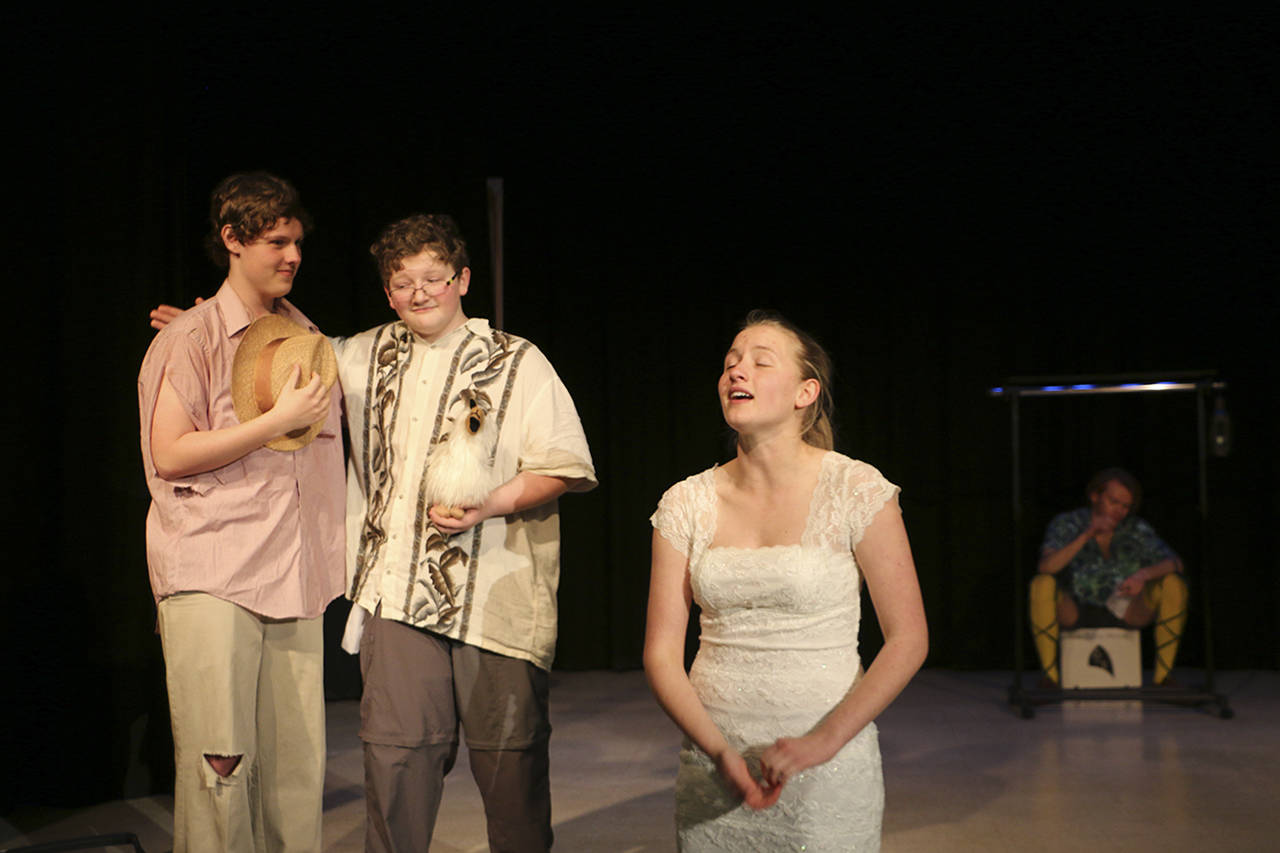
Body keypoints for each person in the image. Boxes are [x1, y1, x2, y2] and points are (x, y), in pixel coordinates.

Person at [152, 212, 597, 852]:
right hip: (397, 594)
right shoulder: (359, 356)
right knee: (396, 764)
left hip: (496, 595)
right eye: (402, 282)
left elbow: (560, 467)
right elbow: (283, 354)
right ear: (387, 292)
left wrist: (487, 502)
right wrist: (206, 330)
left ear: (462, 279)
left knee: (510, 764)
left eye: (433, 278)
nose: (420, 293)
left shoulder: (516, 361)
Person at [643, 310, 928, 852]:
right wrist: (719, 753)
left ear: (805, 392)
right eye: (730, 363)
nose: (736, 372)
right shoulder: (686, 502)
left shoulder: (856, 488)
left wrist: (820, 744)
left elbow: (909, 638)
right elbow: (660, 653)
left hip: (828, 765)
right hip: (715, 765)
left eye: (758, 362)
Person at [138, 172, 345, 851]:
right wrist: (276, 420)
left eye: (297, 242)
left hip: (295, 576)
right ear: (232, 239)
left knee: (294, 769)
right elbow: (169, 452)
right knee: (220, 766)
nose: (292, 255)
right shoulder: (192, 337)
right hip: (215, 573)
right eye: (276, 242)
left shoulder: (305, 335)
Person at [1030, 467, 1187, 686]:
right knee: (1042, 584)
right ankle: (1049, 677)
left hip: (1125, 607)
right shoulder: (1068, 523)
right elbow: (1046, 566)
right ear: (1095, 496)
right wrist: (1088, 534)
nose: (1119, 511)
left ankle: (1163, 677)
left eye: (1125, 506)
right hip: (1076, 607)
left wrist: (1143, 575)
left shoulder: (1135, 528)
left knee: (1173, 583)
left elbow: (1175, 562)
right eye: (1114, 502)